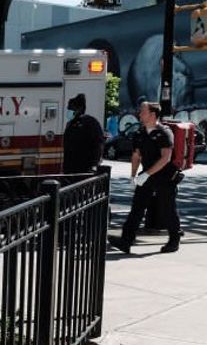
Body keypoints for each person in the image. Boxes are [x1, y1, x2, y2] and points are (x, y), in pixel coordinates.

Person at [108, 101, 183, 254]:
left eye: (143, 111)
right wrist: (133, 175)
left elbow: (165, 158)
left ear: (152, 114)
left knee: (167, 209)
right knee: (137, 208)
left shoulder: (164, 132)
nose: (140, 114)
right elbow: (136, 156)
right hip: (146, 177)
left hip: (164, 176)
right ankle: (125, 241)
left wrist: (147, 174)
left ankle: (174, 241)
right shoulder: (139, 133)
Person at [62, 93, 104, 174]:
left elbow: (99, 144)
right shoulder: (71, 124)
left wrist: (94, 164)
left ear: (79, 108)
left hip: (84, 168)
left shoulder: (90, 123)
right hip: (70, 168)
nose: (69, 111)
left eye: (71, 109)